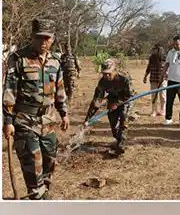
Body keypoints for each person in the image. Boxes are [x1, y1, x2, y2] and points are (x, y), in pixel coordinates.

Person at [2, 19, 69, 199]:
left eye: (47, 38)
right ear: (32, 37)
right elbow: (9, 91)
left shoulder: (55, 61)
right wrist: (8, 121)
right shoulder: (18, 59)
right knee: (33, 164)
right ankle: (36, 199)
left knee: (49, 162)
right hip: (25, 120)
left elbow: (60, 90)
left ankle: (43, 196)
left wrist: (64, 113)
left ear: (52, 39)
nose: (44, 42)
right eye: (39, 38)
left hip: (48, 120)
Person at [83, 59, 135, 155]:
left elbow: (130, 96)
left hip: (126, 99)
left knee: (124, 118)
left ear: (115, 70)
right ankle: (118, 139)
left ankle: (121, 144)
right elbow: (96, 101)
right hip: (112, 99)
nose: (106, 76)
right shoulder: (103, 82)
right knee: (114, 125)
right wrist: (87, 120)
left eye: (109, 73)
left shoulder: (124, 78)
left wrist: (119, 103)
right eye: (104, 73)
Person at [143, 44, 167, 117]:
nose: (153, 50)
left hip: (162, 80)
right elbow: (148, 68)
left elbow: (167, 68)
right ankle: (154, 110)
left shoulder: (164, 58)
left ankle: (163, 110)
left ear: (159, 50)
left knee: (163, 96)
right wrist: (145, 76)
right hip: (153, 79)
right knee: (154, 96)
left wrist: (166, 75)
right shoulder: (151, 58)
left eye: (155, 49)